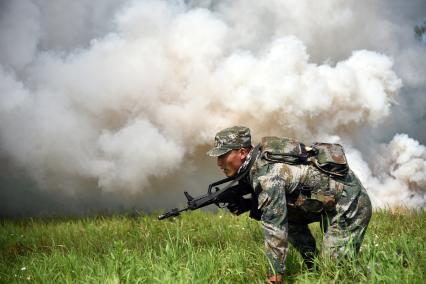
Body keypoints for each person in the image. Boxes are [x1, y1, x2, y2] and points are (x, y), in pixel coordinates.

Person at [206, 126, 372, 283]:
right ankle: (313, 265)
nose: (219, 162)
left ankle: (370, 274)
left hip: (350, 203)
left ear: (242, 153)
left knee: (334, 270)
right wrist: (250, 204)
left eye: (223, 156)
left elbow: (274, 227)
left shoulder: (267, 175)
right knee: (289, 219)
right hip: (322, 201)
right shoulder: (256, 163)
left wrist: (274, 276)